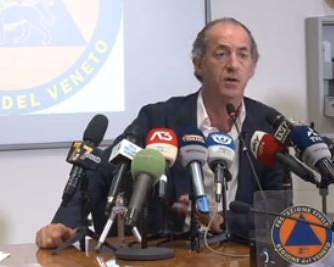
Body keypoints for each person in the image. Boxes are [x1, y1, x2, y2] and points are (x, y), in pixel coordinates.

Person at [36, 17, 290, 249]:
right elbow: (102, 169)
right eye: (221, 54)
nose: (233, 65)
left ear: (253, 66)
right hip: (172, 258)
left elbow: (279, 211)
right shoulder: (159, 119)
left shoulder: (267, 126)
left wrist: (223, 220)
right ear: (199, 62)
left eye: (242, 55)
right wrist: (64, 225)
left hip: (242, 257)